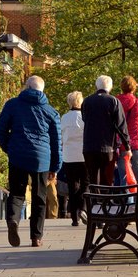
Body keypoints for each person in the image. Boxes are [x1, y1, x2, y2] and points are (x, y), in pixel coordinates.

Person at [0, 75, 62, 247]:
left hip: (18, 155)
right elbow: (56, 142)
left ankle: (13, 220)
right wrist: (55, 166)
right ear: (42, 90)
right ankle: (36, 237)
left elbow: (0, 129)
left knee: (17, 193)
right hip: (42, 159)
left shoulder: (12, 105)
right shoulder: (50, 111)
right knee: (39, 198)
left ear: (26, 87)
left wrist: (9, 148)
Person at [81, 75, 130, 187]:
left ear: (96, 86)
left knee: (93, 179)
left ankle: (94, 202)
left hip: (89, 146)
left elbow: (84, 119)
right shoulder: (114, 101)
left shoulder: (86, 101)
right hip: (107, 146)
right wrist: (127, 146)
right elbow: (121, 126)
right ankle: (105, 202)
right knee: (106, 179)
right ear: (110, 87)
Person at [59, 91, 87, 226]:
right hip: (83, 155)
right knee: (85, 184)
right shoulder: (84, 117)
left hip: (68, 156)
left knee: (72, 185)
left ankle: (74, 217)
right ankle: (82, 207)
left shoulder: (64, 118)